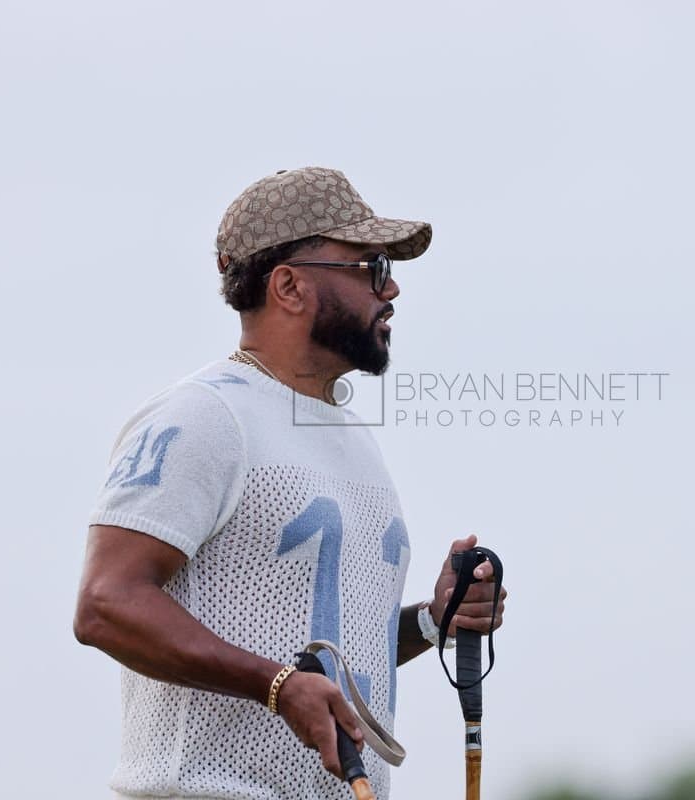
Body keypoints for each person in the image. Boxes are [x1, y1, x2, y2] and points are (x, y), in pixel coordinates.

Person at [74, 167, 507, 800]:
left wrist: (433, 623)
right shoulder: (203, 416)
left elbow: (323, 657)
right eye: (370, 267)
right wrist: (277, 687)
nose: (393, 288)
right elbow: (105, 604)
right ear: (289, 286)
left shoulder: (353, 437)